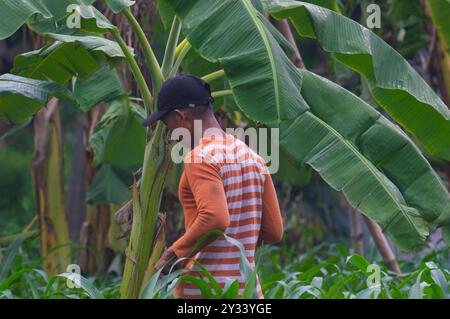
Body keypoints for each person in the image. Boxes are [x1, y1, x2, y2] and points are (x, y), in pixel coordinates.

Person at [143, 74, 283, 299]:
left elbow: (215, 218)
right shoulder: (253, 157)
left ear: (180, 117)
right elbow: (273, 231)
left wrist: (173, 254)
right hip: (247, 294)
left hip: (206, 293)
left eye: (167, 126)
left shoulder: (200, 157)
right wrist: (232, 248)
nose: (171, 136)